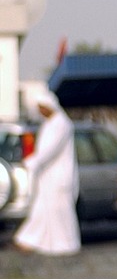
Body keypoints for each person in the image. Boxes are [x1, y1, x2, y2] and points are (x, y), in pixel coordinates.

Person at [13, 90, 81, 256]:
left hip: (58, 177)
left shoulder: (61, 124)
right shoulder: (49, 124)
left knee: (59, 211)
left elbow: (49, 150)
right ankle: (29, 241)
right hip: (46, 177)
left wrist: (31, 163)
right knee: (43, 209)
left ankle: (65, 244)